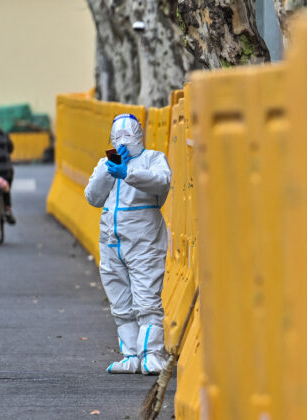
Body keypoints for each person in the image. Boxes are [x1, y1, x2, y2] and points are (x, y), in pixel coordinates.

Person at [84, 113, 171, 374]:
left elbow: (161, 182)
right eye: (117, 136)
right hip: (112, 241)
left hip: (144, 241)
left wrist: (128, 172)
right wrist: (111, 169)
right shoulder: (108, 163)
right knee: (120, 301)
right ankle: (131, 355)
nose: (122, 140)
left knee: (146, 299)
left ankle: (152, 355)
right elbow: (93, 196)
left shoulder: (153, 160)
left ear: (139, 134)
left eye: (128, 134)